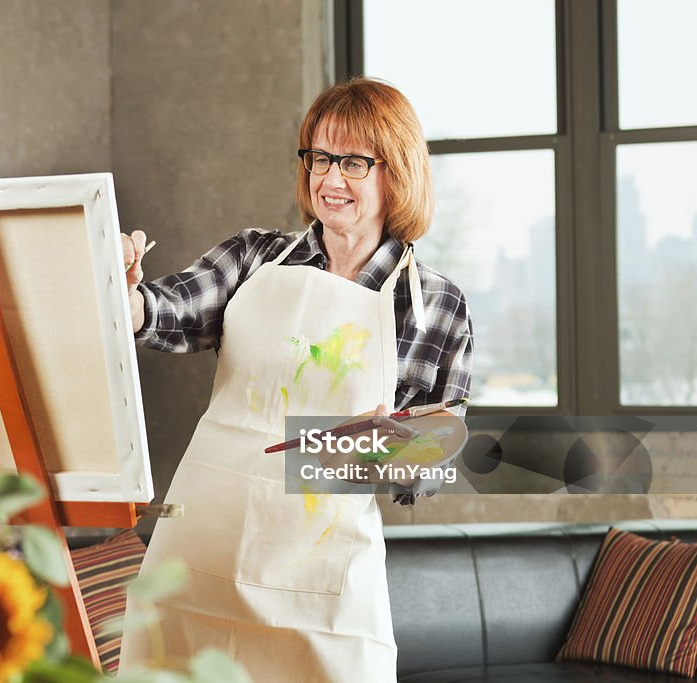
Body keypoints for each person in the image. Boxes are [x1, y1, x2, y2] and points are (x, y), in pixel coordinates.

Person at [117, 76, 473, 682]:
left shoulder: (434, 303)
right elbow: (166, 310)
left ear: (398, 172)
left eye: (355, 162)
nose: (331, 180)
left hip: (321, 584)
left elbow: (429, 467)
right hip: (202, 559)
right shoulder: (254, 258)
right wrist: (120, 293)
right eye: (320, 158)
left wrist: (378, 449)